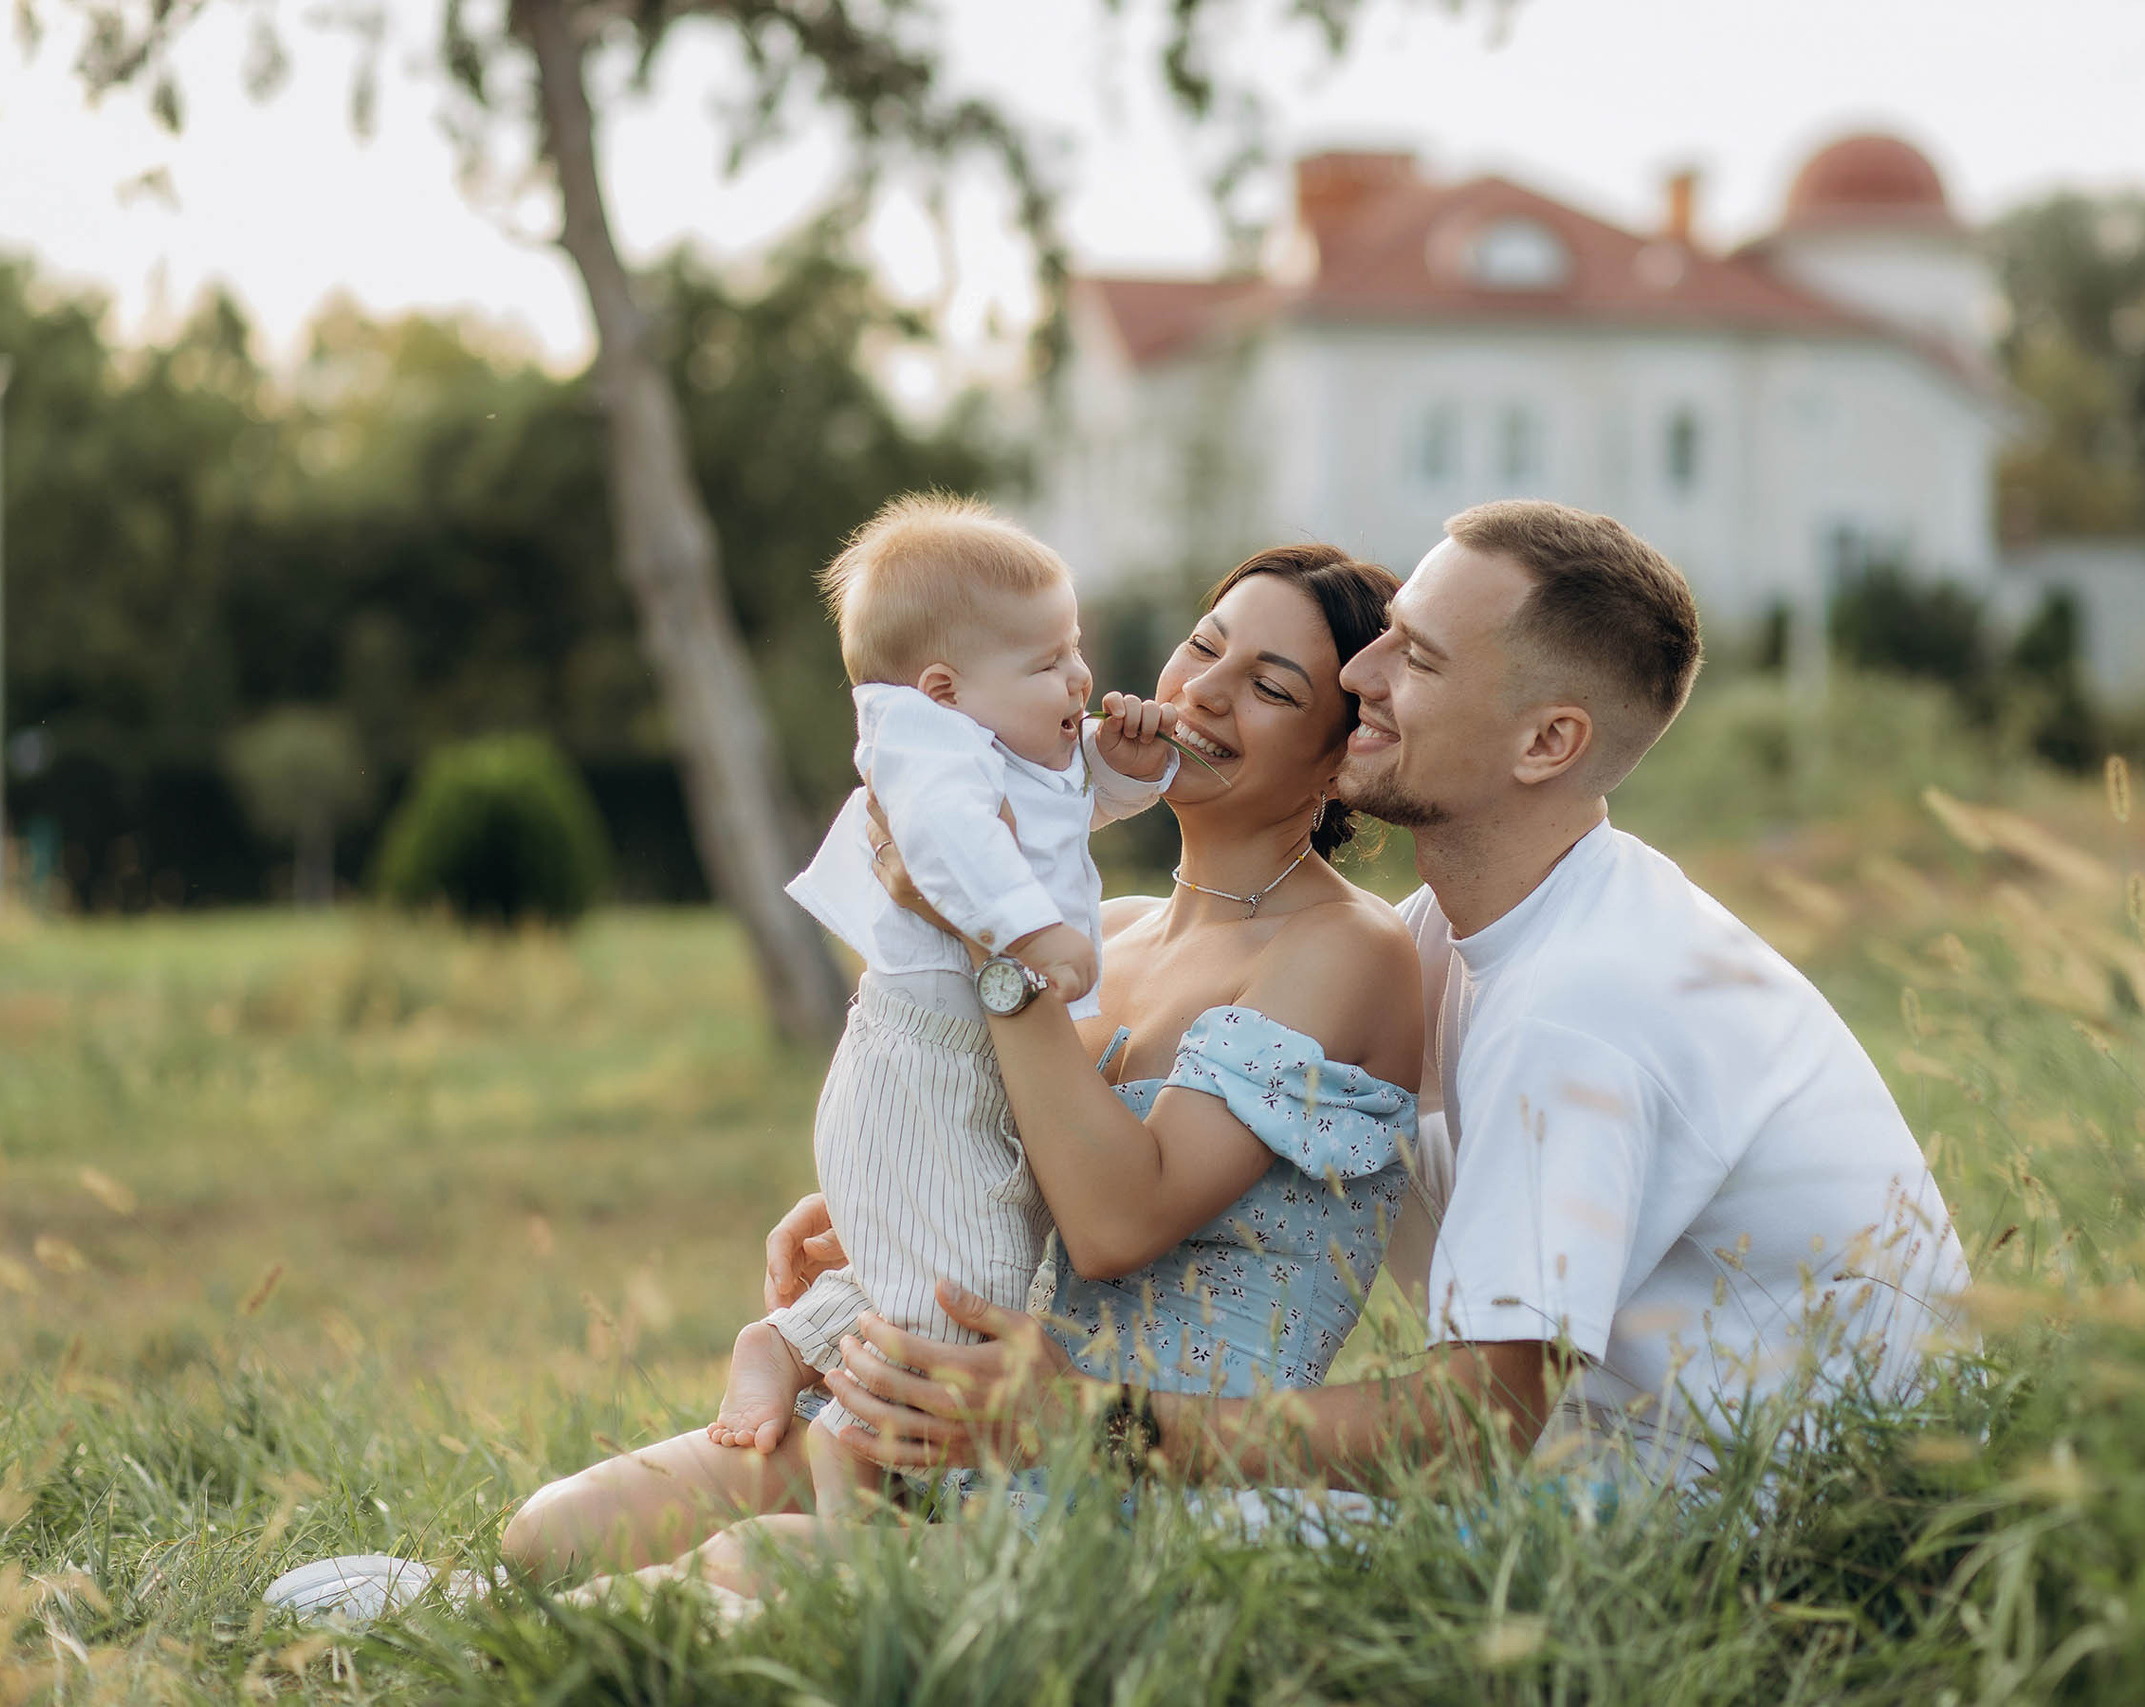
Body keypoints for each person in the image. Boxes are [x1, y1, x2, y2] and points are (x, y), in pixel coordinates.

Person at [812, 499, 1972, 1497]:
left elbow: (1480, 1423)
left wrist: (1087, 1424)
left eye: (1413, 656)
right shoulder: (1454, 941)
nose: (1357, 676)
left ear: (1547, 741)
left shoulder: (1581, 1002)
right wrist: (918, 1172)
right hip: (1602, 1482)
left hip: (1738, 1529)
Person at [496, 543, 1422, 1586]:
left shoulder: (1347, 950)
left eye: (1268, 687)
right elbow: (1004, 1148)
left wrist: (994, 931)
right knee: (556, 1532)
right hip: (944, 1407)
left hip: (1129, 1470)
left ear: (1338, 755)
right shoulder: (1104, 933)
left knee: (745, 1568)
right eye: (1203, 647)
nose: (1202, 692)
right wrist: (896, 1195)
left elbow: (1116, 1226)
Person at [703, 493, 1182, 1523]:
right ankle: (849, 1502)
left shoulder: (988, 737)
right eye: (1049, 661)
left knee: (942, 1265)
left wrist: (1124, 773)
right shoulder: (924, 750)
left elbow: (1054, 811)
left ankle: (792, 1346)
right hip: (926, 1054)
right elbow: (953, 842)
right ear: (942, 688)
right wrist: (1027, 933)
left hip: (956, 1061)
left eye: (1076, 649)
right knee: (965, 1296)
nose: (1080, 679)